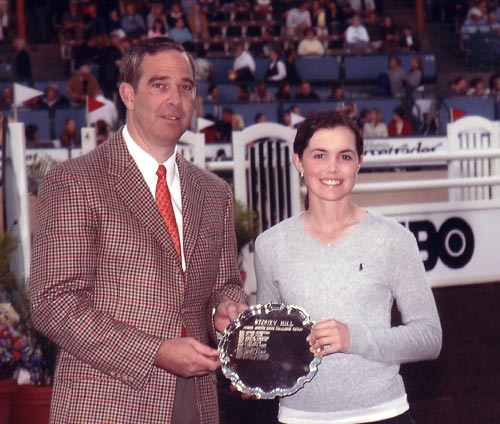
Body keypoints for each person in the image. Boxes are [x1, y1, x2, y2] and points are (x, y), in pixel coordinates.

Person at [29, 37, 248, 424]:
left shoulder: (215, 193)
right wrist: (155, 351)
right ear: (128, 94)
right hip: (106, 402)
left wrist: (225, 309)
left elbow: (225, 284)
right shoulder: (75, 181)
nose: (175, 99)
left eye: (185, 86)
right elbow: (54, 302)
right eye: (159, 84)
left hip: (197, 400)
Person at [254, 110, 442, 424]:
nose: (332, 168)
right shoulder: (270, 245)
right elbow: (270, 340)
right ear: (298, 162)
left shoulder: (394, 240)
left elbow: (429, 337)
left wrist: (354, 337)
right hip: (299, 417)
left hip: (383, 413)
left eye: (344, 156)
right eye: (319, 155)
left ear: (359, 163)